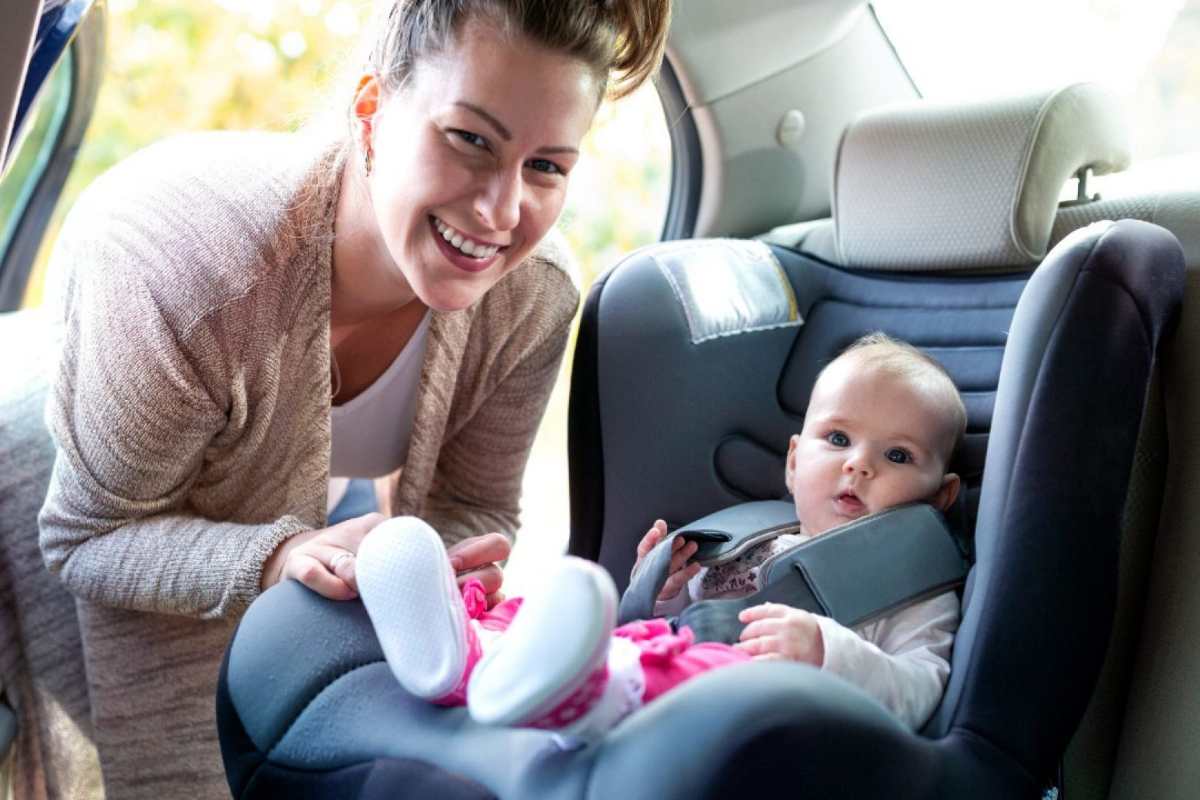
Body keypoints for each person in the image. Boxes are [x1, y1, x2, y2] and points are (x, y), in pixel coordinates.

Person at [34, 1, 671, 797]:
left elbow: (475, 506)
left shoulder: (532, 299)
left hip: (311, 502)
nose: (502, 213)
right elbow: (87, 538)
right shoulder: (185, 275)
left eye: (546, 167)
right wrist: (276, 555)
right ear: (372, 108)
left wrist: (443, 578)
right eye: (471, 140)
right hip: (78, 460)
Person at [357, 333, 967, 741]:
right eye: (837, 440)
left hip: (748, 707)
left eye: (896, 454)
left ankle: (585, 694)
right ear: (792, 460)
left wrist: (827, 651)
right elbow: (688, 621)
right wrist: (668, 589)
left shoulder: (912, 588)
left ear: (941, 496)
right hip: (667, 649)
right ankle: (466, 648)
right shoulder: (758, 535)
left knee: (692, 666)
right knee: (541, 609)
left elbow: (921, 691)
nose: (859, 464)